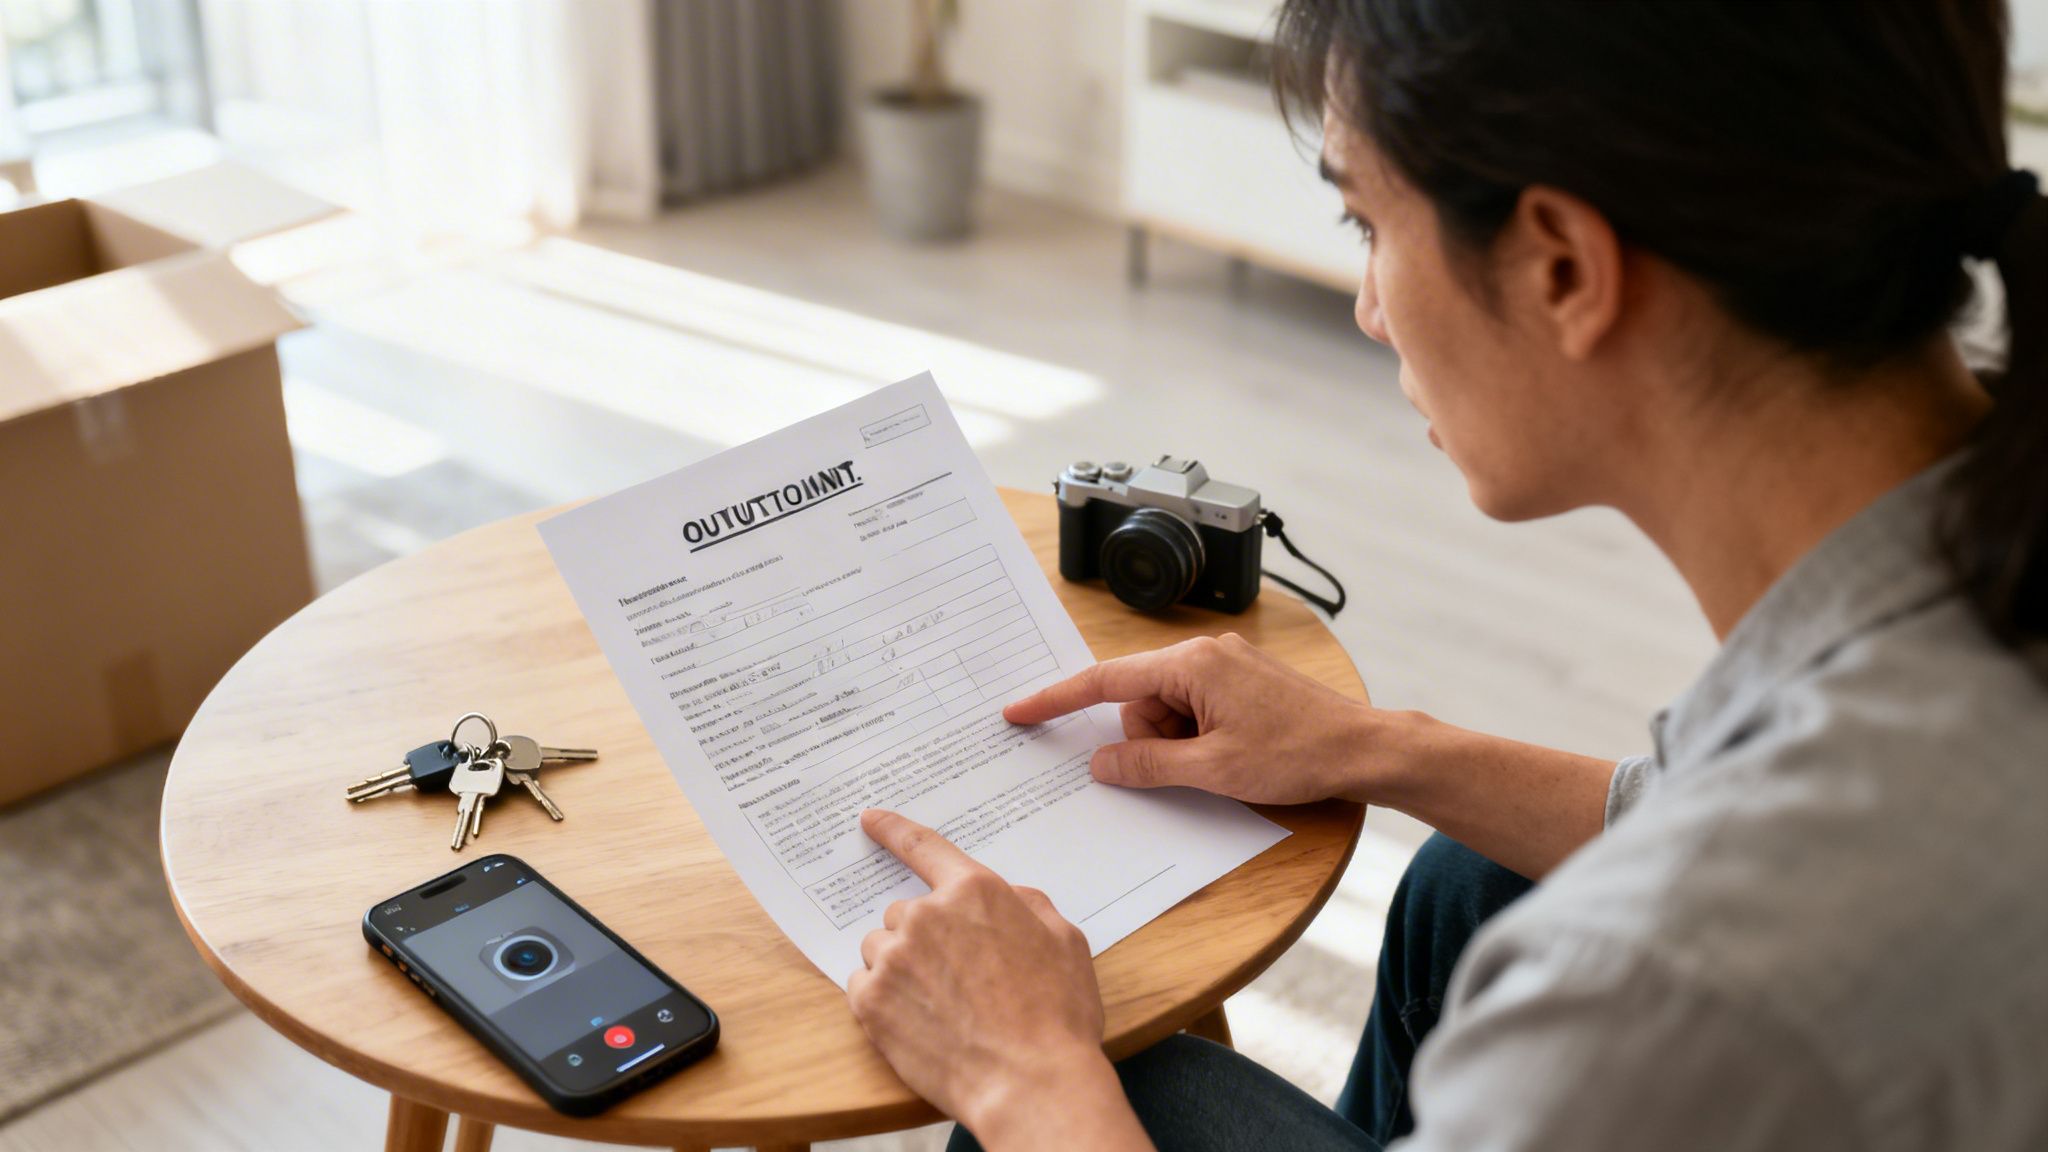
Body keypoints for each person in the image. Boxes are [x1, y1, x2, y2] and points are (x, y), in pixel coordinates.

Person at [843, 2, 2048, 1149]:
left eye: (1367, 223)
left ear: (1561, 268)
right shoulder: (1971, 561)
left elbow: (1716, 917)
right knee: (1464, 886)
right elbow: (1700, 809)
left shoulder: (1664, 975)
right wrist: (1377, 745)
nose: (1370, 309)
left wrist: (1025, 1080)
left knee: (1112, 1081)